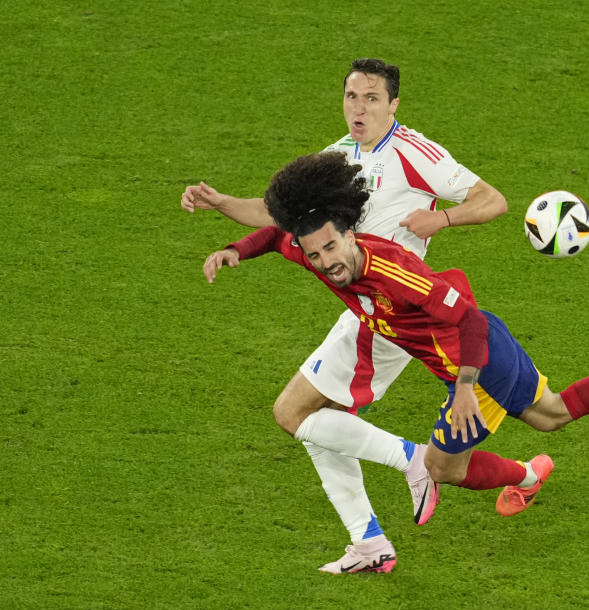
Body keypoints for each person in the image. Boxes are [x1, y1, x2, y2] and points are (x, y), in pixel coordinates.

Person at [203, 152, 589, 552]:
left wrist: (462, 389)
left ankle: (524, 476)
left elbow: (469, 317)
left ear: (351, 234)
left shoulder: (394, 273)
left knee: (442, 469)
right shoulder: (316, 247)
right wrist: (235, 250)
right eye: (315, 254)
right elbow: (276, 237)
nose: (324, 262)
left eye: (331, 249)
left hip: (477, 363)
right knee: (554, 415)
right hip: (480, 357)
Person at [183, 58, 508, 574]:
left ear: (393, 104)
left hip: (391, 313)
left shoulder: (414, 153)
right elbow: (279, 219)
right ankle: (369, 542)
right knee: (314, 422)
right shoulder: (338, 157)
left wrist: (440, 217)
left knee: (296, 415)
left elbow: (492, 201)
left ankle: (413, 463)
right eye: (352, 97)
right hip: (359, 307)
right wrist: (222, 208)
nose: (359, 108)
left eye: (372, 98)